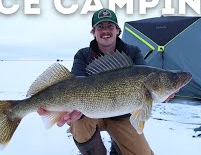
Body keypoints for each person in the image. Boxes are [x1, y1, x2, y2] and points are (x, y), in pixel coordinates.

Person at [38, 8, 175, 155]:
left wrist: (163, 93)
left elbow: (147, 77)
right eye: (100, 27)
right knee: (78, 125)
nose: (105, 31)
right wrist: (63, 111)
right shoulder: (83, 55)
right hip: (90, 115)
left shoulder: (133, 52)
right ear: (93, 32)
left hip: (122, 117)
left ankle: (118, 146)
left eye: (110, 26)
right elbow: (74, 84)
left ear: (117, 30)